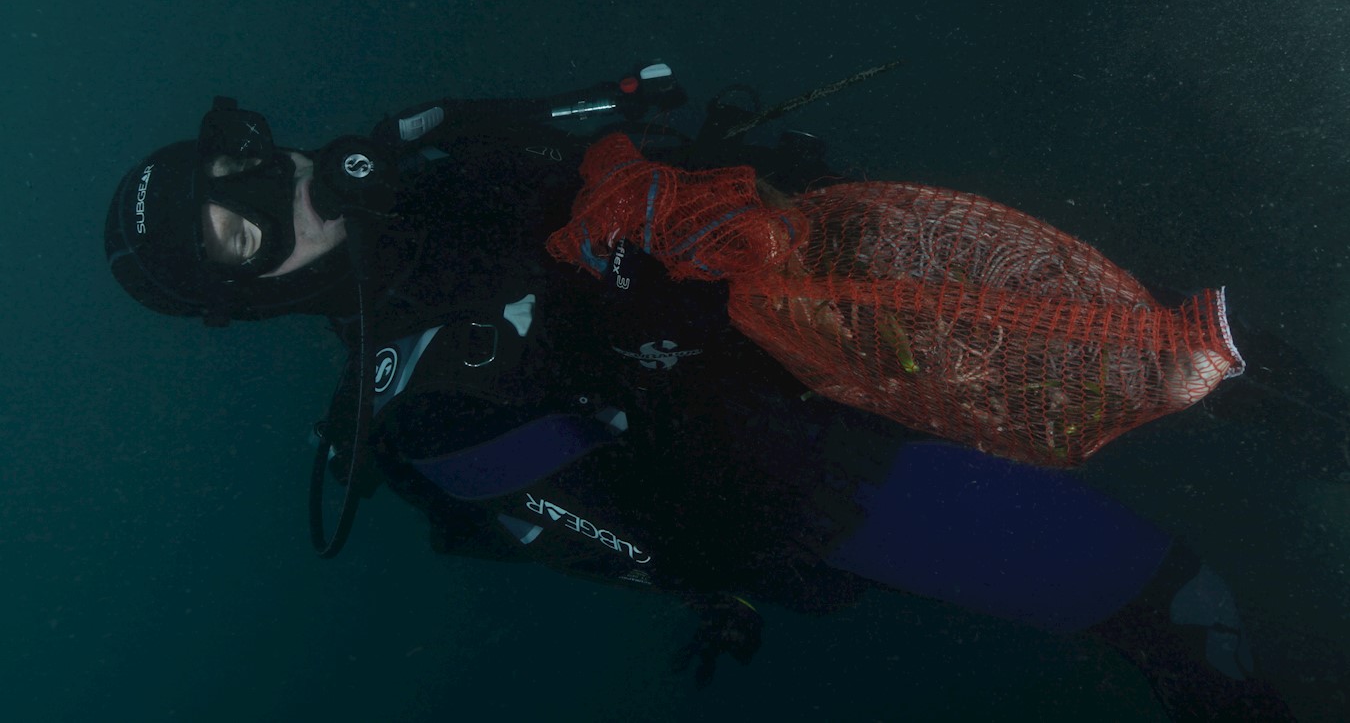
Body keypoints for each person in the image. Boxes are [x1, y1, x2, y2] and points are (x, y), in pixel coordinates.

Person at [105, 62, 1298, 720]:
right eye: (236, 227)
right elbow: (694, 534)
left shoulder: (462, 175)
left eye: (243, 158)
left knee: (1217, 353)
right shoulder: (420, 409)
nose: (278, 185)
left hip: (890, 331)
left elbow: (666, 182)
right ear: (248, 296)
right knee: (1181, 603)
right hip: (857, 481)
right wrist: (652, 349)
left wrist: (729, 178)